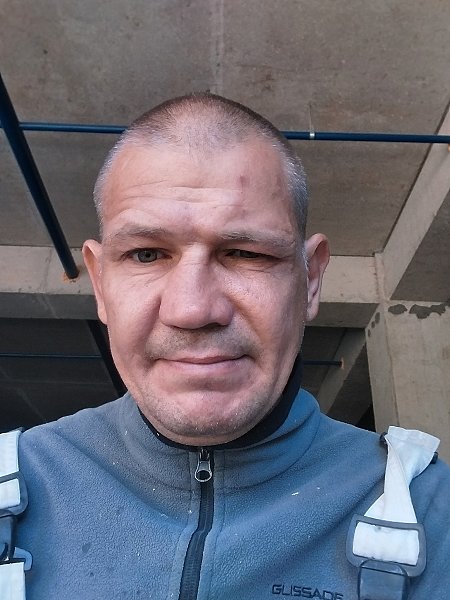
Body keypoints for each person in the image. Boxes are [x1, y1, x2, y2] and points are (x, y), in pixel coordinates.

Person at [9, 94, 450, 599]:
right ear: (101, 285)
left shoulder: (429, 511)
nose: (192, 309)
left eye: (244, 253)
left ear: (310, 280)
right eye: (146, 254)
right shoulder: (13, 486)